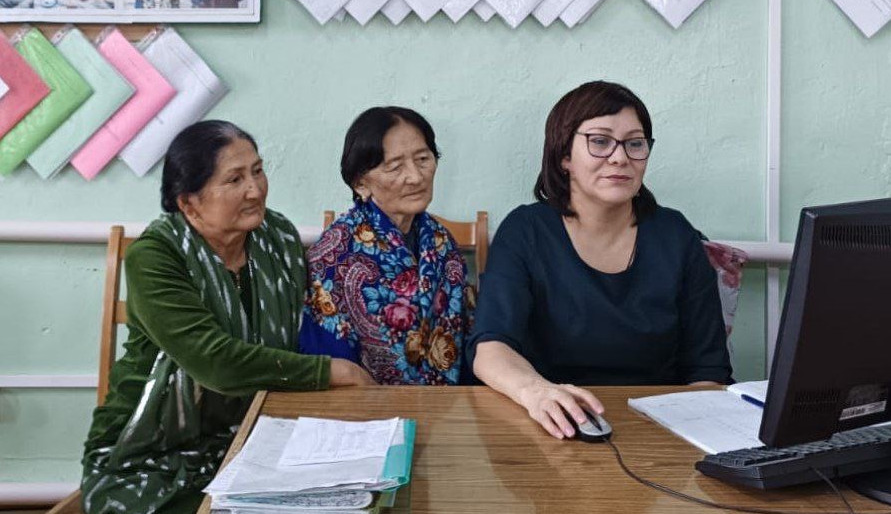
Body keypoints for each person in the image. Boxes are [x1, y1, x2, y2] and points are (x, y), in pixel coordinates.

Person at [80, 121, 373, 514]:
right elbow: (214, 362)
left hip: (258, 435)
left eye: (257, 170)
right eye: (234, 179)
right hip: (150, 451)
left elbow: (309, 326)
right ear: (189, 202)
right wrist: (332, 371)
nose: (255, 189)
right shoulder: (155, 257)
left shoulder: (279, 238)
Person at [468, 81, 731, 439]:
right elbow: (491, 348)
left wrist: (692, 440)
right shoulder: (526, 230)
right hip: (549, 426)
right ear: (564, 156)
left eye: (635, 144)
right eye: (600, 141)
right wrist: (537, 393)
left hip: (658, 432)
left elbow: (708, 371)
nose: (620, 157)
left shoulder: (675, 234)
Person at [300, 107, 473, 385]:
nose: (416, 176)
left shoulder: (441, 242)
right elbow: (330, 365)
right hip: (366, 413)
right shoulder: (335, 255)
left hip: (446, 406)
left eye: (423, 159)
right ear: (360, 183)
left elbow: (468, 338)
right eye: (395, 167)